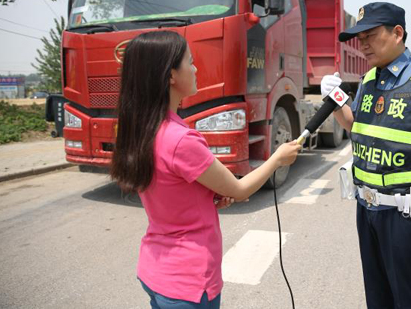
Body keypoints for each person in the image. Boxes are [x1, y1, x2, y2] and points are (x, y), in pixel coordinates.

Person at [110, 30, 301, 309]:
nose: (196, 68)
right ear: (171, 75)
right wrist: (277, 158)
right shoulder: (180, 140)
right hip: (188, 283)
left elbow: (169, 189)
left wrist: (204, 199)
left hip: (155, 271)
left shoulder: (142, 129)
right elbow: (239, 189)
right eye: (190, 61)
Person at [322, 2, 411, 308]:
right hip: (367, 208)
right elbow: (355, 125)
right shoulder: (370, 79)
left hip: (405, 213)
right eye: (360, 39)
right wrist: (334, 98)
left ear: (397, 33)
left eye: (371, 35)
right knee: (378, 296)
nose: (364, 45)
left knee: (408, 297)